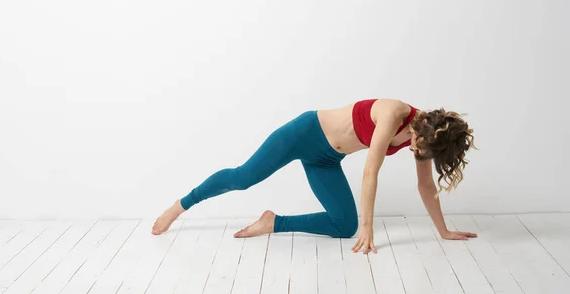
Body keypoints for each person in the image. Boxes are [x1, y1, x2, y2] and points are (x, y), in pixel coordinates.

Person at [151, 98, 478, 254]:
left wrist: (443, 230)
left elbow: (424, 185)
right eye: (420, 145)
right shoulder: (395, 114)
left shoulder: (427, 139)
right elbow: (370, 171)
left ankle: (273, 222)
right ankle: (180, 205)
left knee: (343, 226)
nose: (416, 150)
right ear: (423, 127)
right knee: (242, 178)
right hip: (304, 134)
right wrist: (369, 228)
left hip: (326, 159)